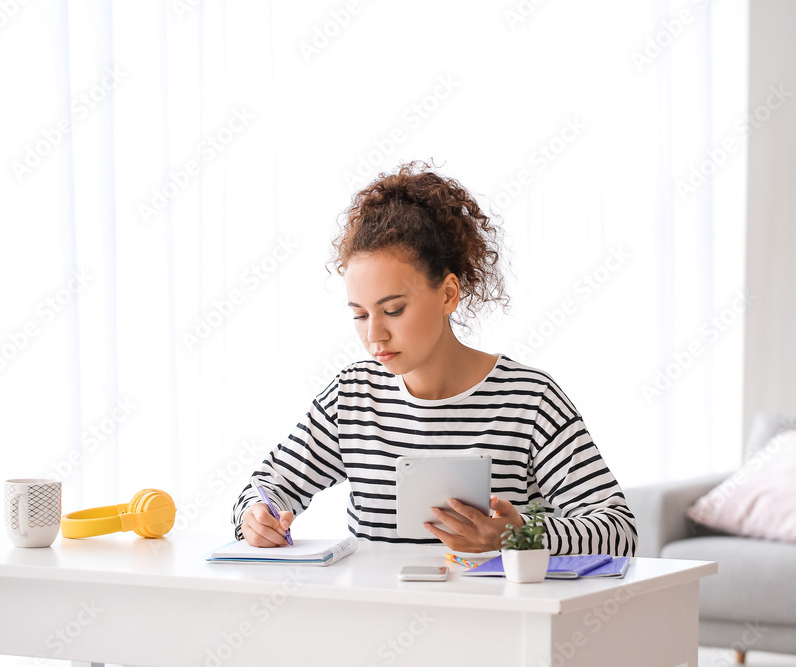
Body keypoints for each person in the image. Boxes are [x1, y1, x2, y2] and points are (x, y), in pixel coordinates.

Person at [231, 160, 637, 556]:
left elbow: (618, 531)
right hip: (374, 618)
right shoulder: (351, 397)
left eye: (393, 310)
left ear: (448, 294)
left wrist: (517, 536)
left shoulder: (529, 400)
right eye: (359, 314)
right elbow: (267, 487)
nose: (374, 334)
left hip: (497, 621)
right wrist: (255, 516)